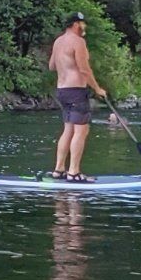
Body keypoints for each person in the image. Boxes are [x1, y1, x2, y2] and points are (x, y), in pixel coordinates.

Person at [47, 12, 110, 182]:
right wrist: (97, 89)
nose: (84, 27)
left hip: (62, 91)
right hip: (76, 91)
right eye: (83, 24)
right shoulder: (78, 42)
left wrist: (65, 64)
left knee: (68, 129)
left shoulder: (58, 41)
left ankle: (59, 170)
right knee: (81, 130)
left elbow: (52, 66)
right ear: (76, 24)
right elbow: (84, 69)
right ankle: (73, 172)